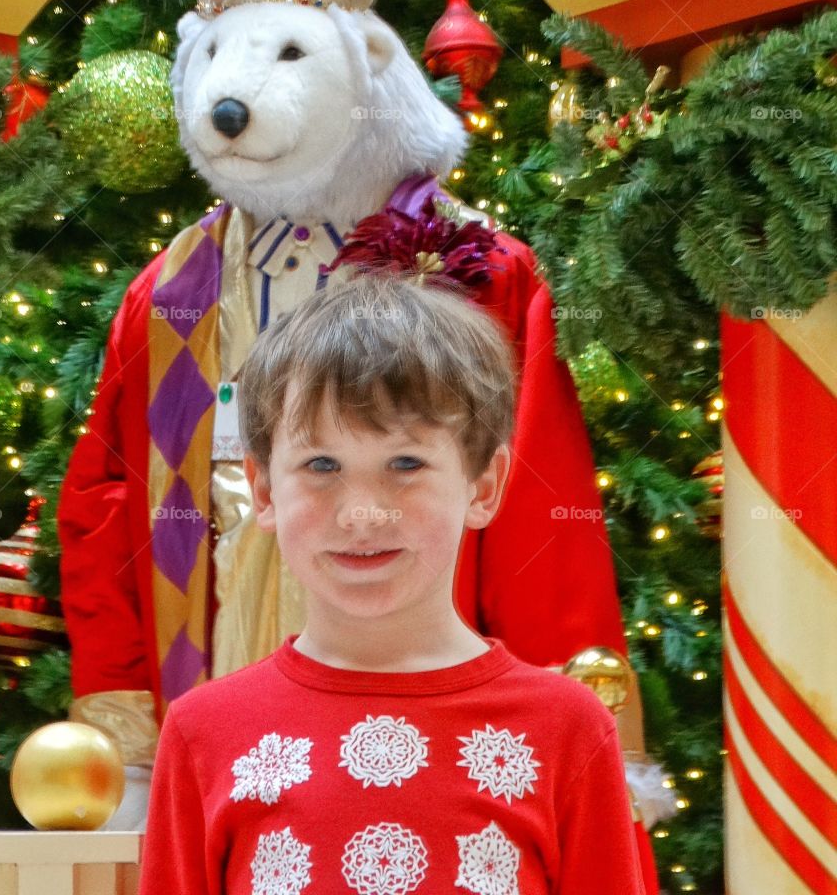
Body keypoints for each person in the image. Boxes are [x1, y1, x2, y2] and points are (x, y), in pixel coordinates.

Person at [137, 273, 645, 895]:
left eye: (405, 464)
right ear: (265, 490)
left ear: (482, 487)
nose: (362, 515)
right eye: (321, 465)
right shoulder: (203, 734)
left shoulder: (568, 729)